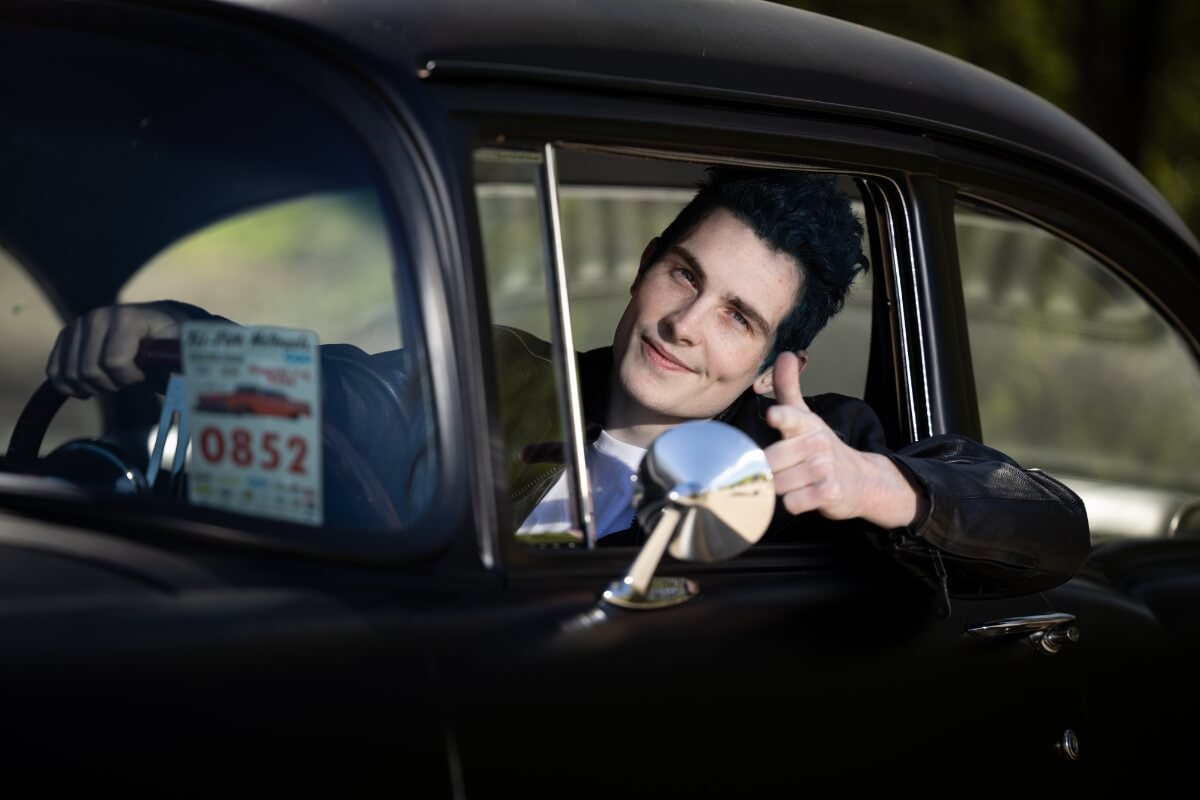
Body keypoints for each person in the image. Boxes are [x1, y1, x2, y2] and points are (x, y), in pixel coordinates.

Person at [46, 169, 1089, 598]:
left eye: (738, 316)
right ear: (643, 267)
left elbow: (1050, 524)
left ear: (780, 357)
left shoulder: (808, 450)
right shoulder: (508, 374)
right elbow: (344, 396)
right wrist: (178, 337)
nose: (685, 325)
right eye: (684, 275)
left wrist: (877, 484)